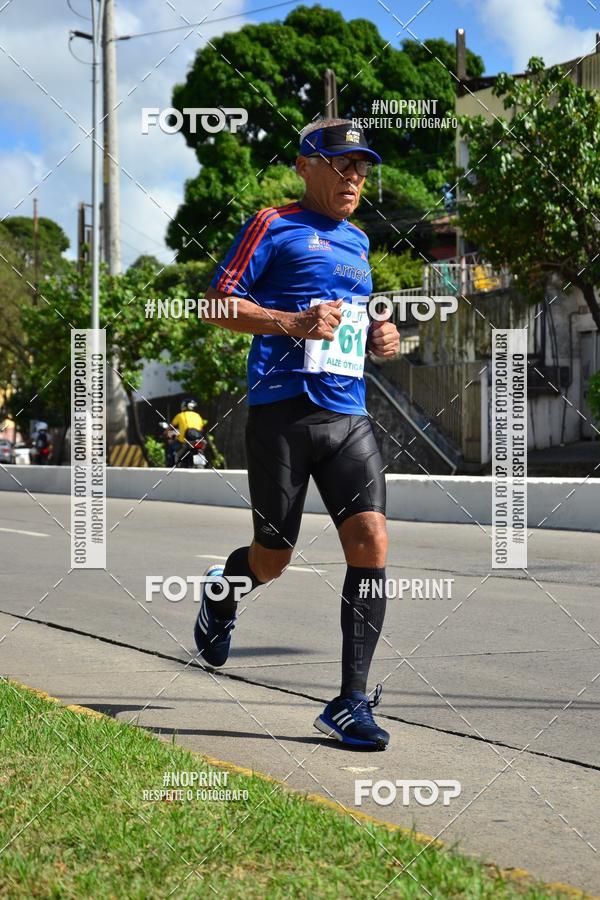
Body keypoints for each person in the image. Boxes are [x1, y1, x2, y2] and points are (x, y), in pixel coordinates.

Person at [194, 119, 399, 751]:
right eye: (342, 165)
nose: (354, 177)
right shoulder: (272, 224)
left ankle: (350, 702)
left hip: (348, 415)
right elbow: (215, 302)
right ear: (306, 166)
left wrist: (379, 336)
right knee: (272, 560)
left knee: (371, 540)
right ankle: (222, 593)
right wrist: (290, 321)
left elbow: (350, 323)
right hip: (281, 414)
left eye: (362, 168)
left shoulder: (359, 241)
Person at [170, 400, 205, 466]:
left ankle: (171, 464)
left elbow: (171, 427)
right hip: (198, 440)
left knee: (172, 446)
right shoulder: (198, 416)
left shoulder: (180, 415)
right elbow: (202, 429)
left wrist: (166, 433)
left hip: (184, 441)